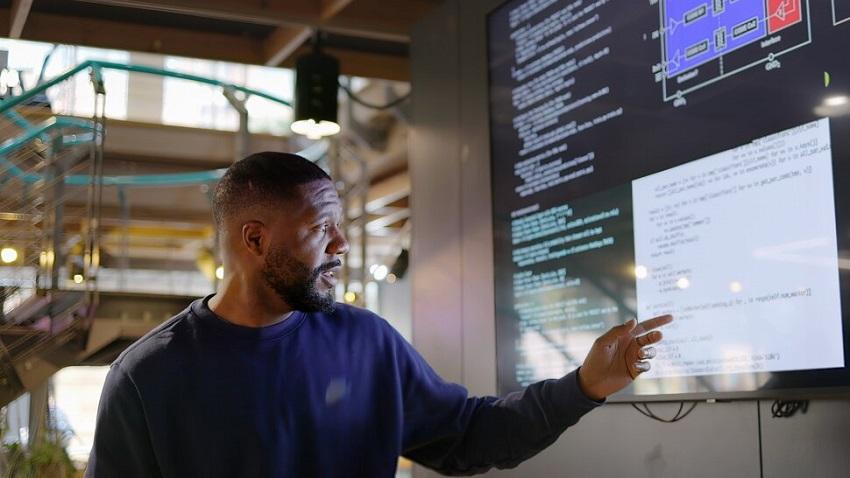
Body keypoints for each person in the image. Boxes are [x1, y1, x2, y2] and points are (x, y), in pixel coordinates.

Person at [85, 152, 671, 477]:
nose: (341, 246)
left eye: (342, 227)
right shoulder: (148, 377)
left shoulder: (367, 342)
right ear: (256, 240)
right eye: (320, 229)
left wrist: (584, 386)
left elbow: (469, 436)